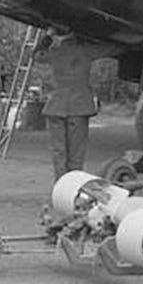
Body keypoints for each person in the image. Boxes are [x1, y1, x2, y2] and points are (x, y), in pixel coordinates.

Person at [38, 33, 105, 181]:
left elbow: (36, 55)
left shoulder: (55, 52)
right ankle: (73, 185)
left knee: (58, 152)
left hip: (56, 105)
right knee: (76, 154)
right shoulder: (87, 51)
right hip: (79, 106)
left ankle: (61, 185)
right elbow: (111, 49)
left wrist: (47, 37)